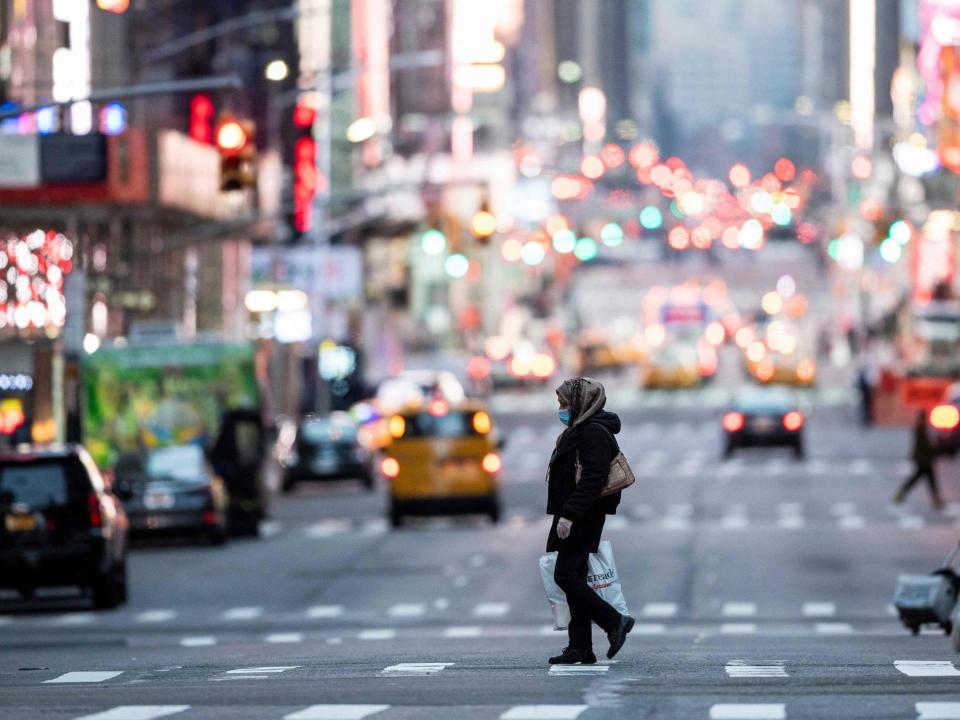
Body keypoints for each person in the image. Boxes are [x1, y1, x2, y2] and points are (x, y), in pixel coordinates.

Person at [545, 377, 634, 665]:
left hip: (582, 514)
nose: (561, 408)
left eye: (565, 403)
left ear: (581, 403)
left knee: (566, 576)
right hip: (573, 511)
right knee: (574, 577)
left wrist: (569, 515)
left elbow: (593, 480)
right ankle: (580, 646)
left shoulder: (594, 432)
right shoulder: (581, 429)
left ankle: (614, 623)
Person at [894, 410, 943, 510]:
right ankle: (936, 500)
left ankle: (936, 499)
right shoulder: (921, 429)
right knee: (925, 479)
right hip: (924, 459)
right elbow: (924, 445)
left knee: (925, 479)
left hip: (923, 458)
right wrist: (934, 447)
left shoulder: (921, 428)